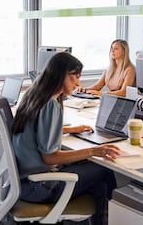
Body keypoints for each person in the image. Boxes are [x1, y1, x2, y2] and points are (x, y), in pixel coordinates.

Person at [12, 52, 120, 225]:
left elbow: (36, 130)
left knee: (96, 178)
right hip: (39, 186)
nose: (78, 82)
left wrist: (70, 129)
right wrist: (94, 150)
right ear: (61, 74)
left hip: (22, 181)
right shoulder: (51, 104)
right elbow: (50, 157)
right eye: (75, 77)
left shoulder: (34, 94)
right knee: (104, 171)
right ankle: (119, 216)